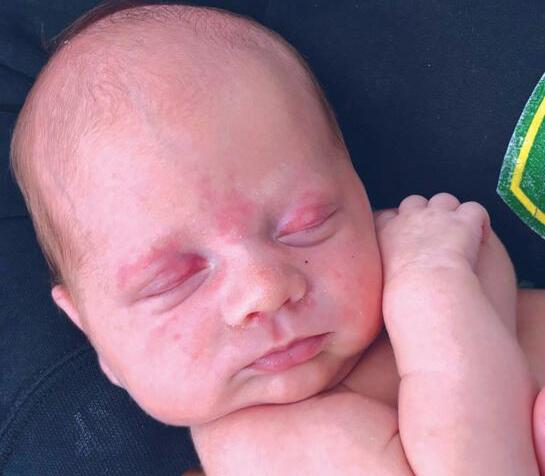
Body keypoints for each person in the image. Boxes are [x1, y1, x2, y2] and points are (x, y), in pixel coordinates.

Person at [9, 2, 545, 474]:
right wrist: (434, 297)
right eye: (173, 280)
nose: (263, 288)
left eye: (306, 225)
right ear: (90, 331)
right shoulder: (265, 448)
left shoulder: (410, 247)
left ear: (358, 188)